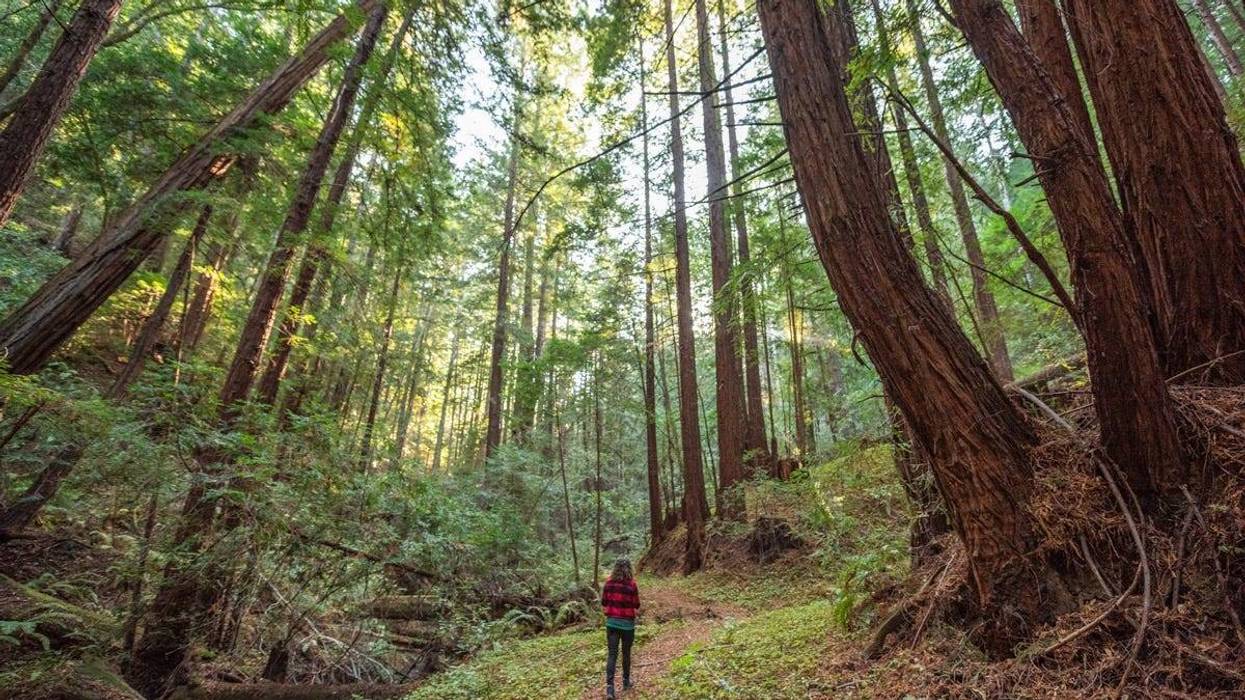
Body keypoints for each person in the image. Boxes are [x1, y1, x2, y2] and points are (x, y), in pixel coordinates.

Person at [601, 557, 640, 698]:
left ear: (615, 568)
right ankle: (625, 681)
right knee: (626, 653)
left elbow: (604, 602)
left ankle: (610, 689)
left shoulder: (609, 583)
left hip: (612, 624)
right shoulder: (632, 585)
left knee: (612, 654)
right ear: (629, 568)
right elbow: (636, 604)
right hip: (627, 625)